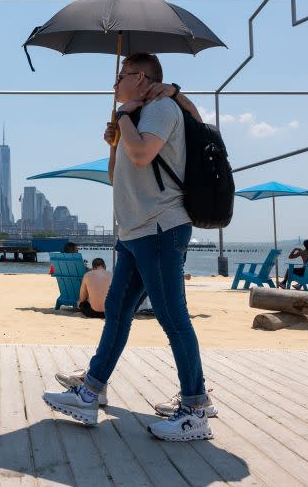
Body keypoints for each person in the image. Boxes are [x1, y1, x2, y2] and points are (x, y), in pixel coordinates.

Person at [43, 53, 216, 441]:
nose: (115, 81)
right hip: (137, 233)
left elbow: (141, 155)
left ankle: (195, 409)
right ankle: (90, 392)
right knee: (118, 312)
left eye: (121, 75)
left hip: (159, 228)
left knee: (173, 318)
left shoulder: (160, 109)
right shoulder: (137, 118)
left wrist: (124, 114)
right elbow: (117, 173)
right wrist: (114, 140)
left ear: (141, 78)